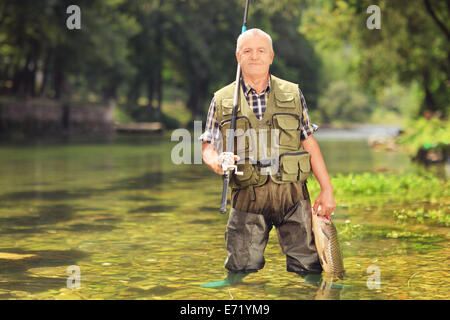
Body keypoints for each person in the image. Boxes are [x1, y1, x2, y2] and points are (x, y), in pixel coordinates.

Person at [199, 28, 336, 288]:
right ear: (238, 56)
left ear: (271, 56)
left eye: (261, 50)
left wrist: (327, 189)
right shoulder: (221, 99)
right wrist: (216, 161)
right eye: (247, 51)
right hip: (247, 199)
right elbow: (208, 144)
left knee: (309, 267)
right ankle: (236, 292)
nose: (254, 56)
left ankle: (313, 291)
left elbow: (309, 142)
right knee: (240, 269)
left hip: (293, 196)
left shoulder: (293, 93)